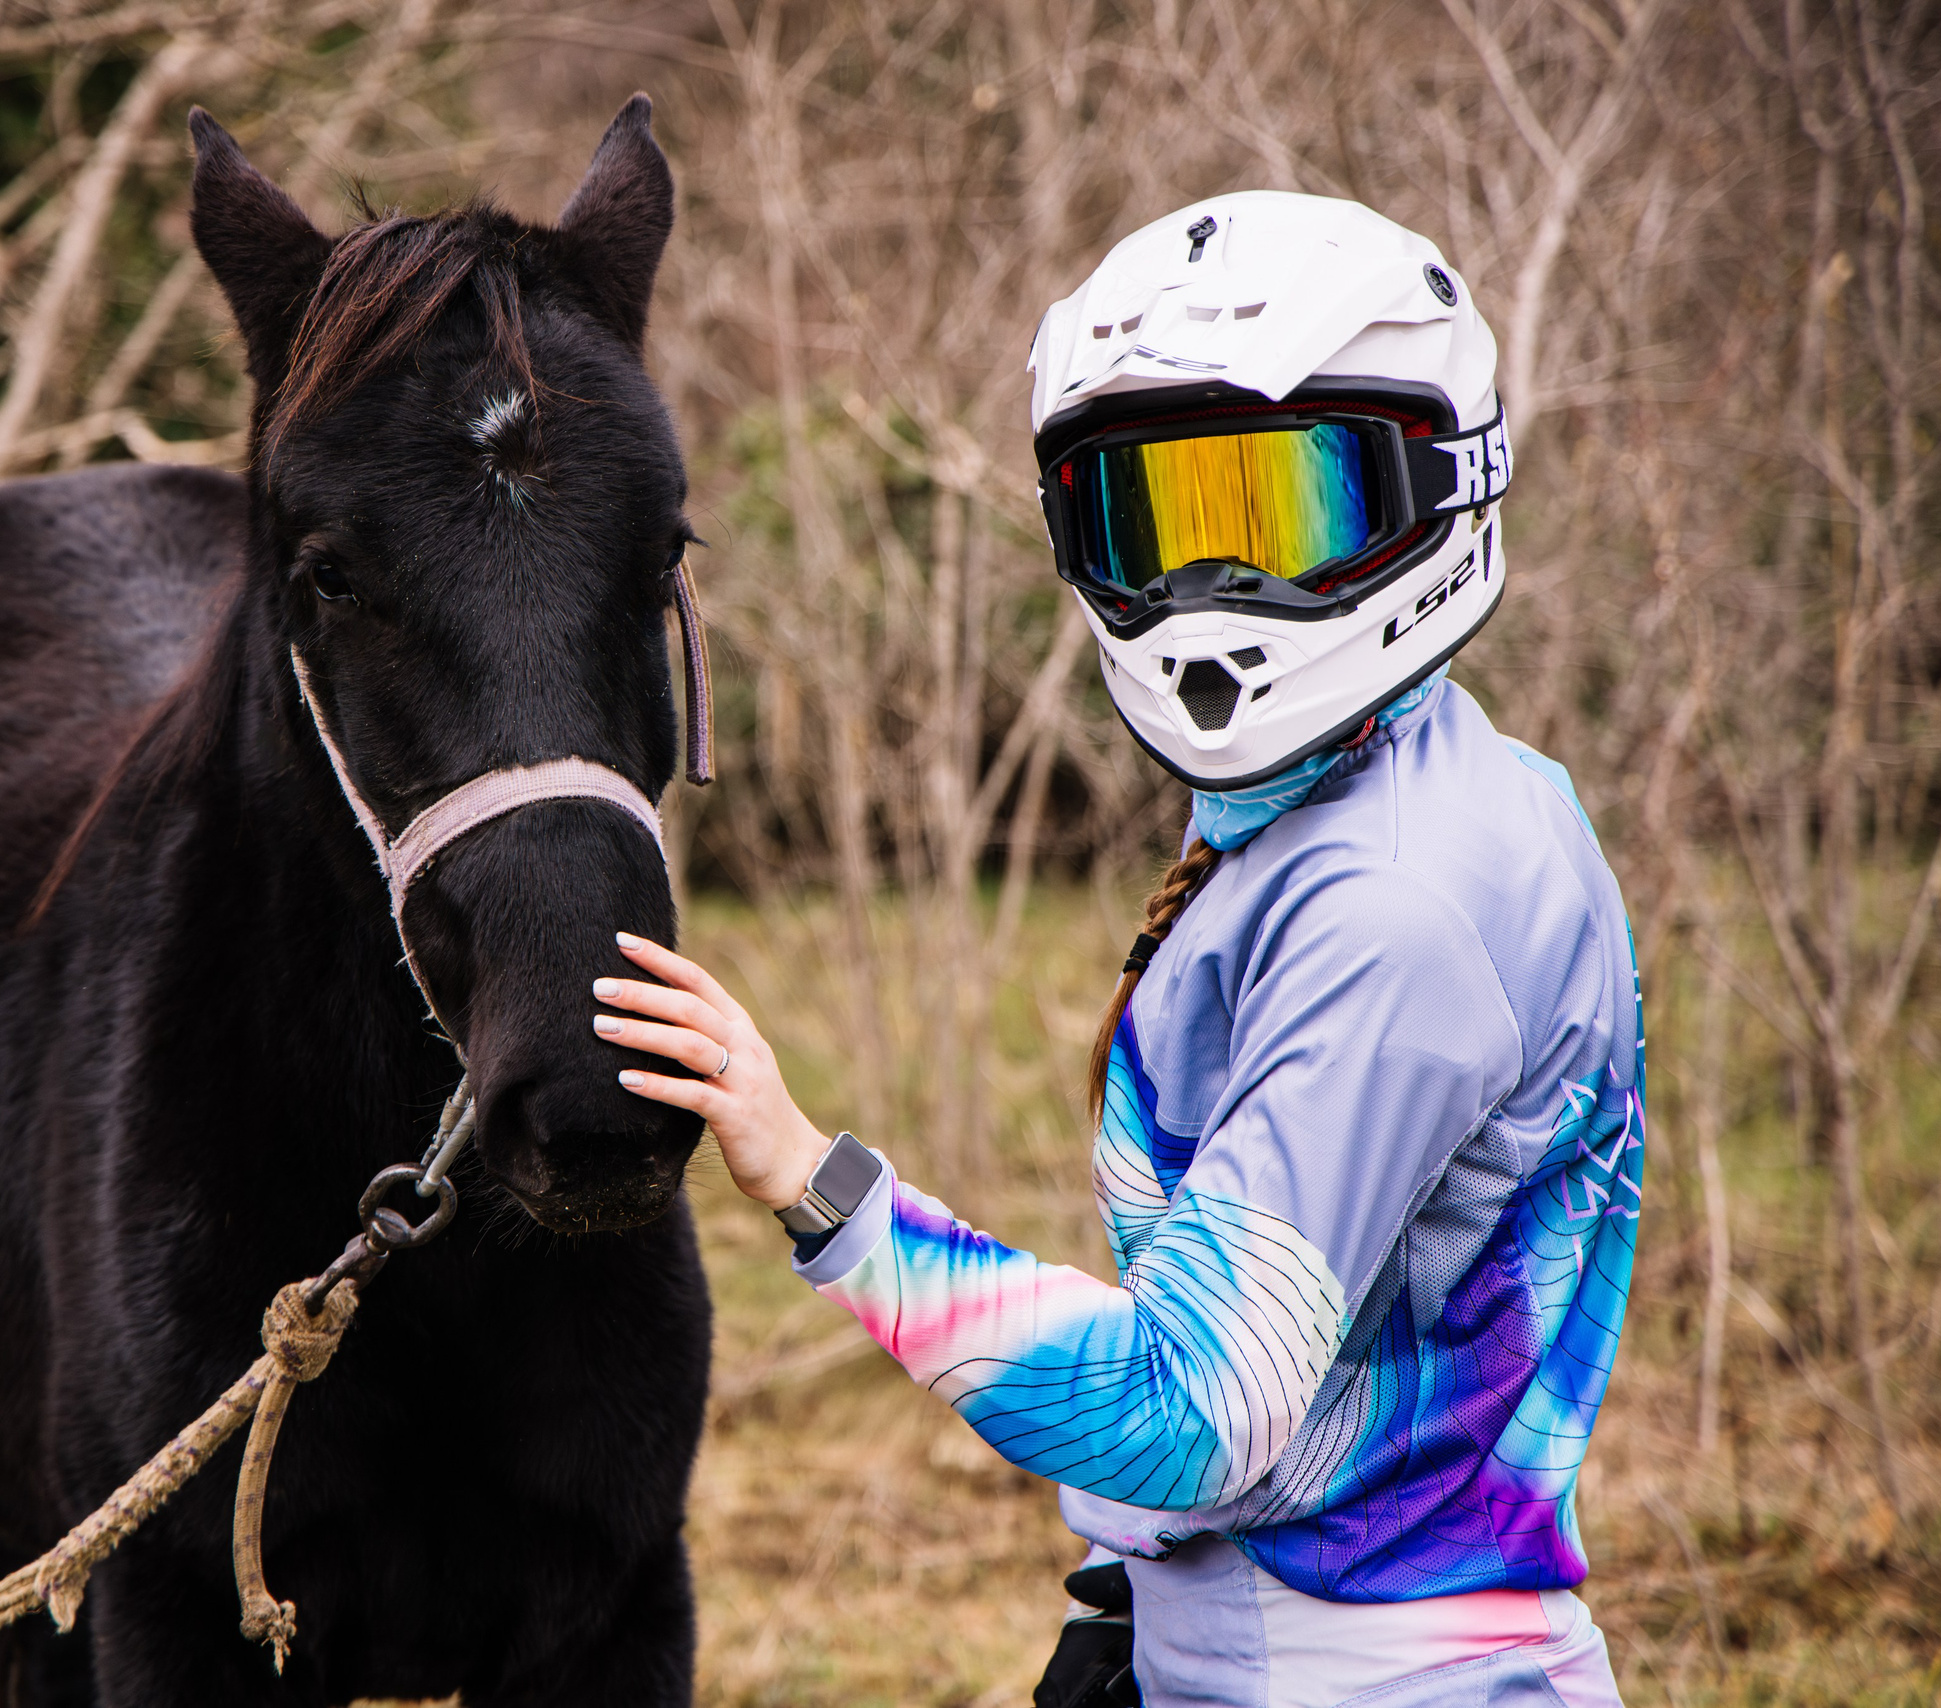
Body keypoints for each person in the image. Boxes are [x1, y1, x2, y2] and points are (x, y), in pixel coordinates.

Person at [597, 192, 1642, 1707]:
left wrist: (816, 1183)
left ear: (1438, 485)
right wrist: (1134, 1604)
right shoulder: (1404, 794)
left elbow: (1190, 1408)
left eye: (1287, 515)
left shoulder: (1393, 912)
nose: (1217, 594)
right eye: (1156, 523)